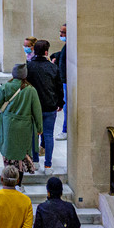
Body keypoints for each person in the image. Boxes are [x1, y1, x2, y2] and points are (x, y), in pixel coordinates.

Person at [0, 64, 43, 176]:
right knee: (21, 154)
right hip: (24, 127)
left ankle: (8, 179)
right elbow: (37, 111)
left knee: (8, 152)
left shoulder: (5, 87)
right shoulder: (31, 90)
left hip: (8, 125)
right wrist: (39, 128)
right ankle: (19, 183)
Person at [28, 39, 64, 175]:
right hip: (49, 105)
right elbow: (59, 87)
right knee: (48, 135)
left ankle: (35, 162)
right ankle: (48, 165)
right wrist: (60, 103)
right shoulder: (52, 67)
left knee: (34, 135)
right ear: (46, 52)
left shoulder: (29, 66)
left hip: (33, 106)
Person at [52, 25, 68, 140]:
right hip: (64, 80)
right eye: (60, 31)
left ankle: (66, 130)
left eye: (63, 32)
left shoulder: (70, 46)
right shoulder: (66, 46)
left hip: (66, 80)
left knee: (66, 107)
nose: (61, 34)